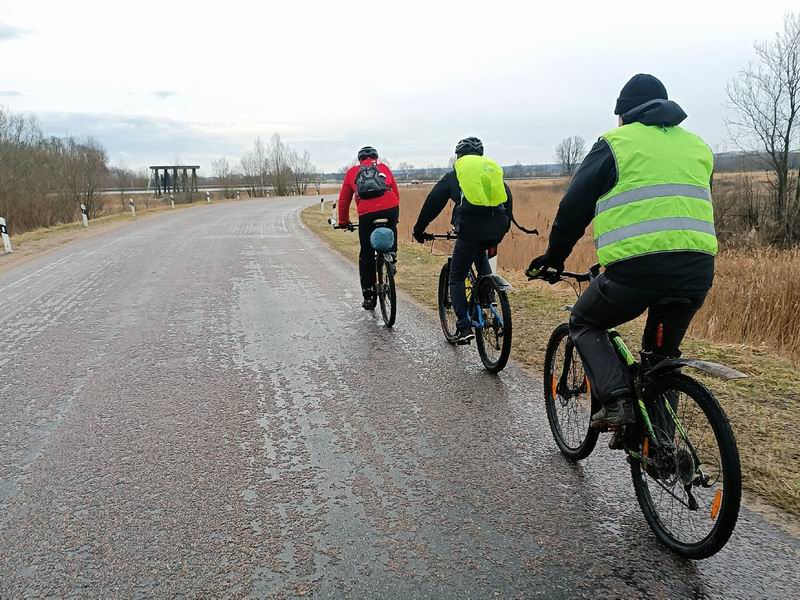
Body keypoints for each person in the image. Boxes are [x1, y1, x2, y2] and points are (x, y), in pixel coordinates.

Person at [527, 74, 717, 430]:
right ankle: (663, 446)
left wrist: (554, 258)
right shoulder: (697, 146)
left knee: (583, 322)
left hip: (637, 273)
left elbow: (574, 207)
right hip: (697, 270)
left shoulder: (616, 143)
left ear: (623, 114)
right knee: (661, 358)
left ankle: (616, 401)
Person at [412, 137, 513, 343]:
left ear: (459, 156)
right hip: (497, 227)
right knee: (479, 253)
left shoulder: (456, 174)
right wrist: (505, 227)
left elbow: (433, 202)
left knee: (456, 276)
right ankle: (489, 300)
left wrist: (419, 229)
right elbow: (507, 198)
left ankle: (464, 326)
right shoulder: (490, 171)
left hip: (470, 229)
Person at [338, 146, 401, 310]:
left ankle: (369, 295)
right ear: (375, 157)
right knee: (392, 226)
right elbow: (395, 192)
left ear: (360, 160)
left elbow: (344, 200)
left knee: (366, 252)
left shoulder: (352, 172)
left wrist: (343, 221)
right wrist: (395, 216)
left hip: (367, 213)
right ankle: (392, 255)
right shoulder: (384, 168)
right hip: (391, 207)